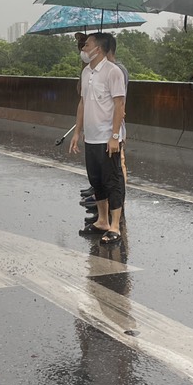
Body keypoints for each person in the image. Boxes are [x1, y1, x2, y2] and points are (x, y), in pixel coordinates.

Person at [69, 32, 126, 246]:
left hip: (107, 136)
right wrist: (77, 132)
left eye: (88, 44)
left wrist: (114, 136)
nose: (84, 47)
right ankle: (102, 221)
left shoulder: (114, 72)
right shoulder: (86, 72)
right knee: (96, 180)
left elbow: (119, 105)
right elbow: (82, 103)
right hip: (91, 137)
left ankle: (114, 226)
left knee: (112, 180)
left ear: (98, 48)